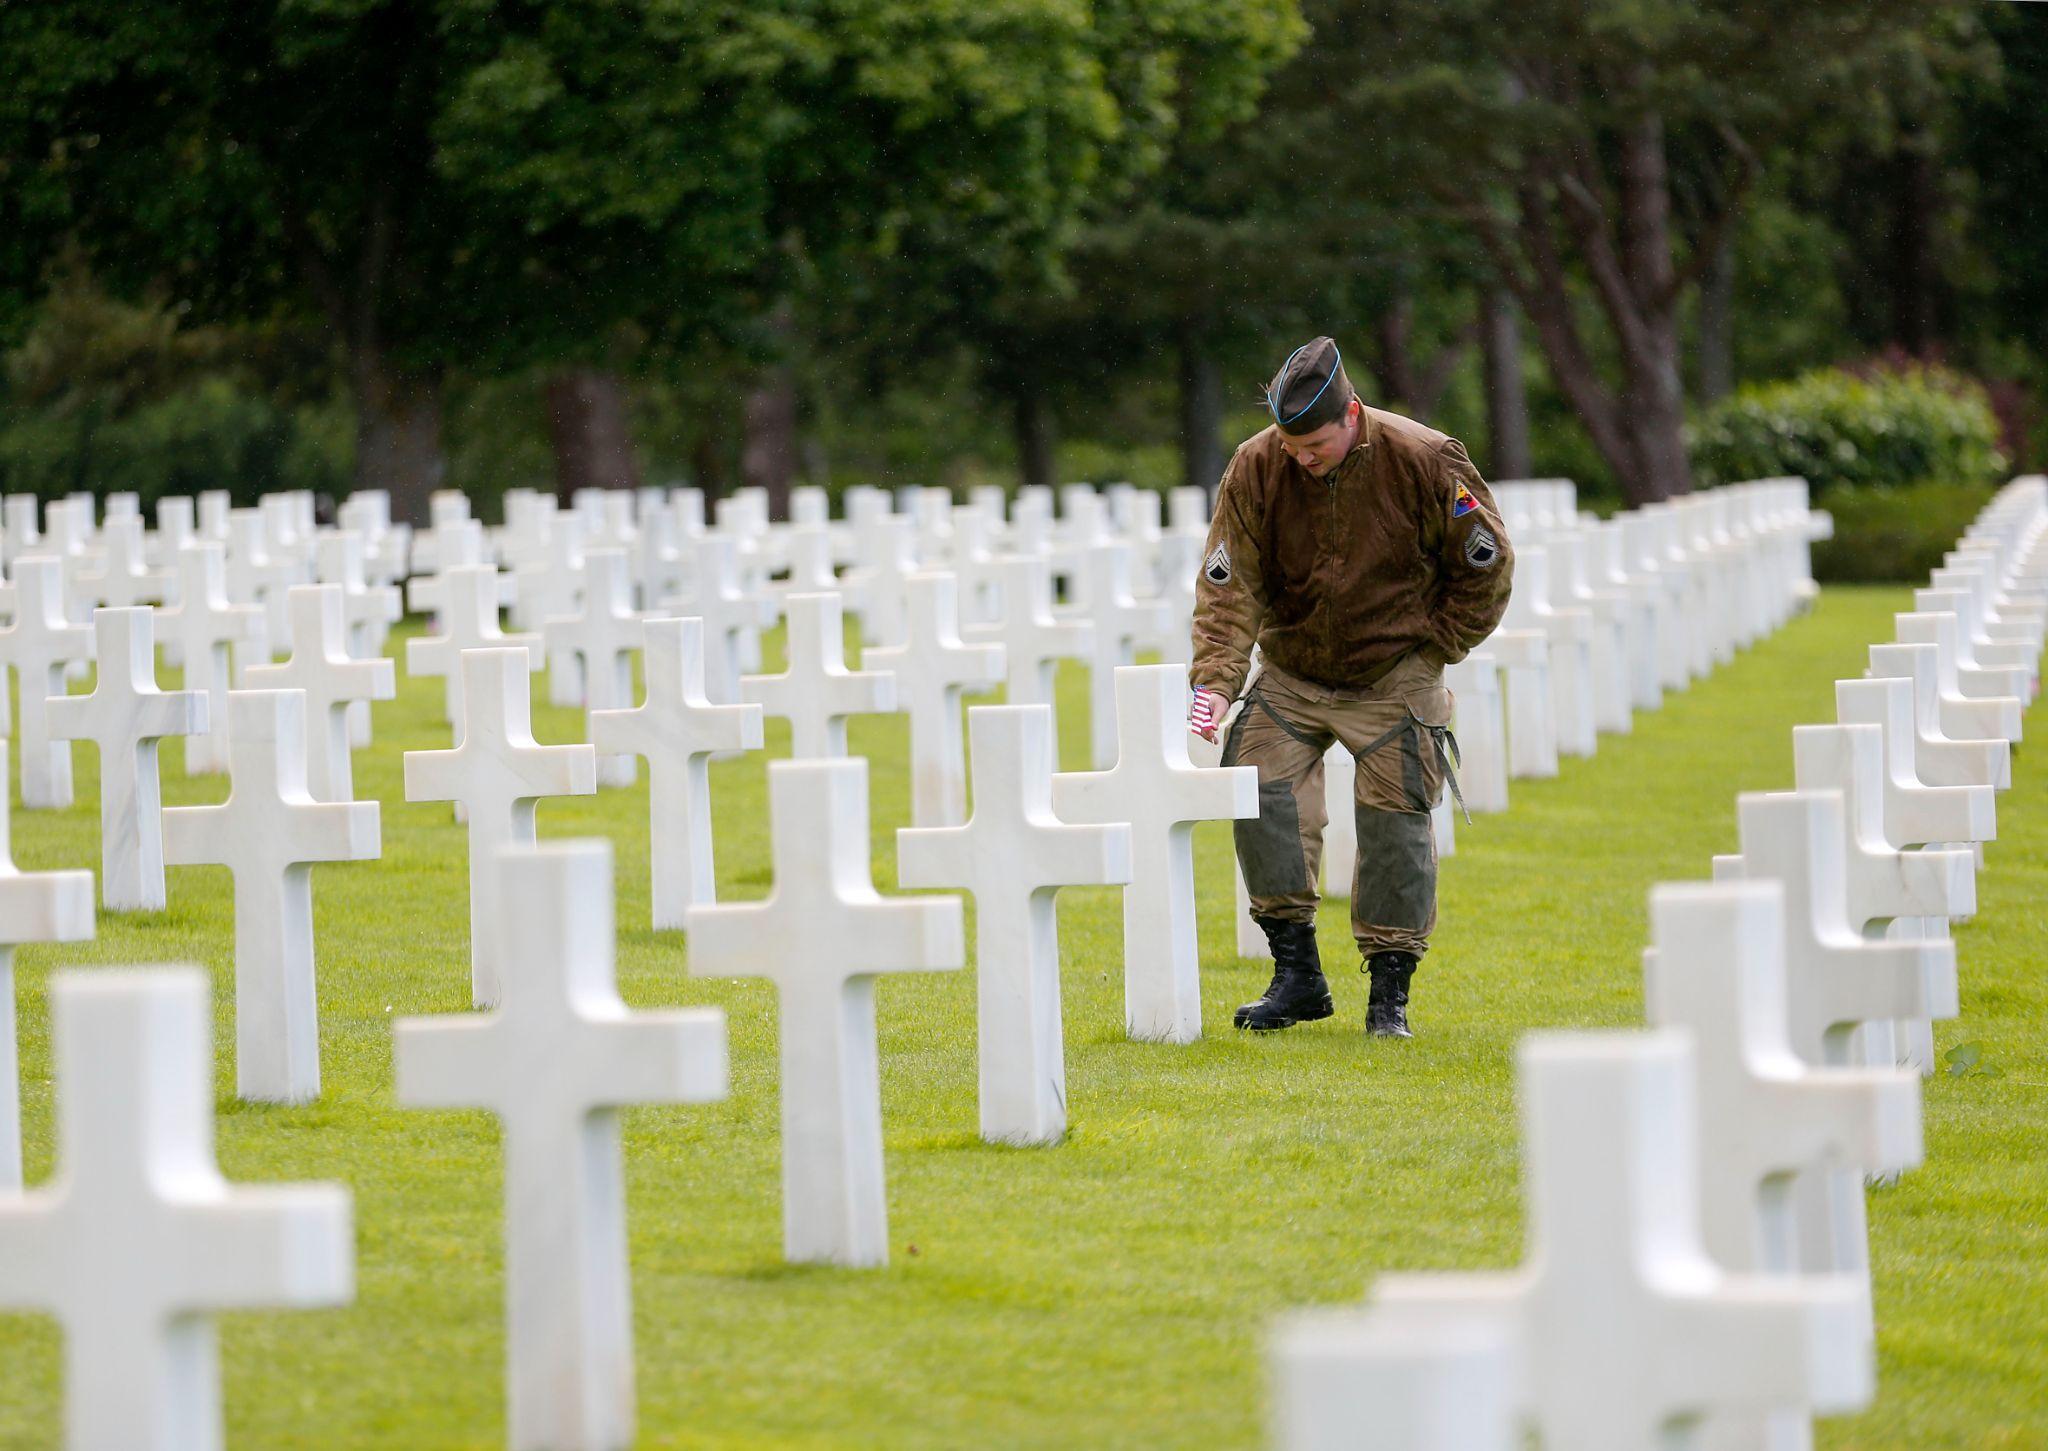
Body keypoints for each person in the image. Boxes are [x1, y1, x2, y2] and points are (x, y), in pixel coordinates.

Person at [1188, 336, 1514, 1038]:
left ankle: (1388, 995)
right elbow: (1227, 583)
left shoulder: (1425, 458)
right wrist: (1215, 682)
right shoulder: (1256, 466)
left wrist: (1439, 644)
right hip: (1295, 666)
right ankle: (1296, 972)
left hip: (1394, 668)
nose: (1301, 458)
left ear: (1352, 416)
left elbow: (1485, 561)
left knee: (1397, 820)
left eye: (1315, 446)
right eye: (1290, 445)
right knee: (1255, 785)